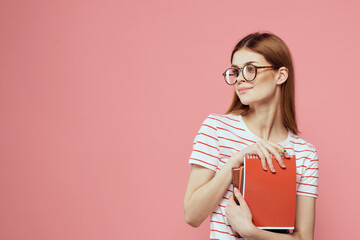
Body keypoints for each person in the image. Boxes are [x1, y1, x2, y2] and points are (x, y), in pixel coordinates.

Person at [183, 32, 319, 240]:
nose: (240, 79)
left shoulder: (304, 153)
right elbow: (192, 215)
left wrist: (251, 232)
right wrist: (237, 160)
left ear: (280, 75)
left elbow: (304, 238)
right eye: (236, 71)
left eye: (251, 69)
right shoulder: (217, 129)